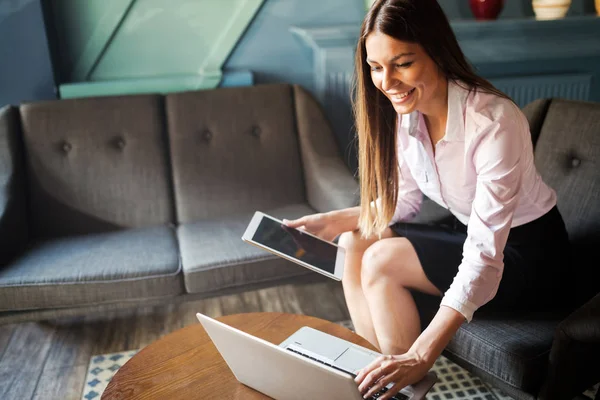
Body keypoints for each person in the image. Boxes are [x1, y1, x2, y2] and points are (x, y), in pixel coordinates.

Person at [282, 0, 571, 398]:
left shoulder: (493, 121)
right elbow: (405, 204)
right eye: (376, 67)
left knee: (383, 260)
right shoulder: (409, 113)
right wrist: (332, 221)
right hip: (469, 231)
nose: (387, 81)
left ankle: (403, 384)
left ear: (436, 50)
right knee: (353, 243)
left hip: (527, 257)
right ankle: (374, 376)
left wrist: (421, 354)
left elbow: (486, 255)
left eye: (402, 63)